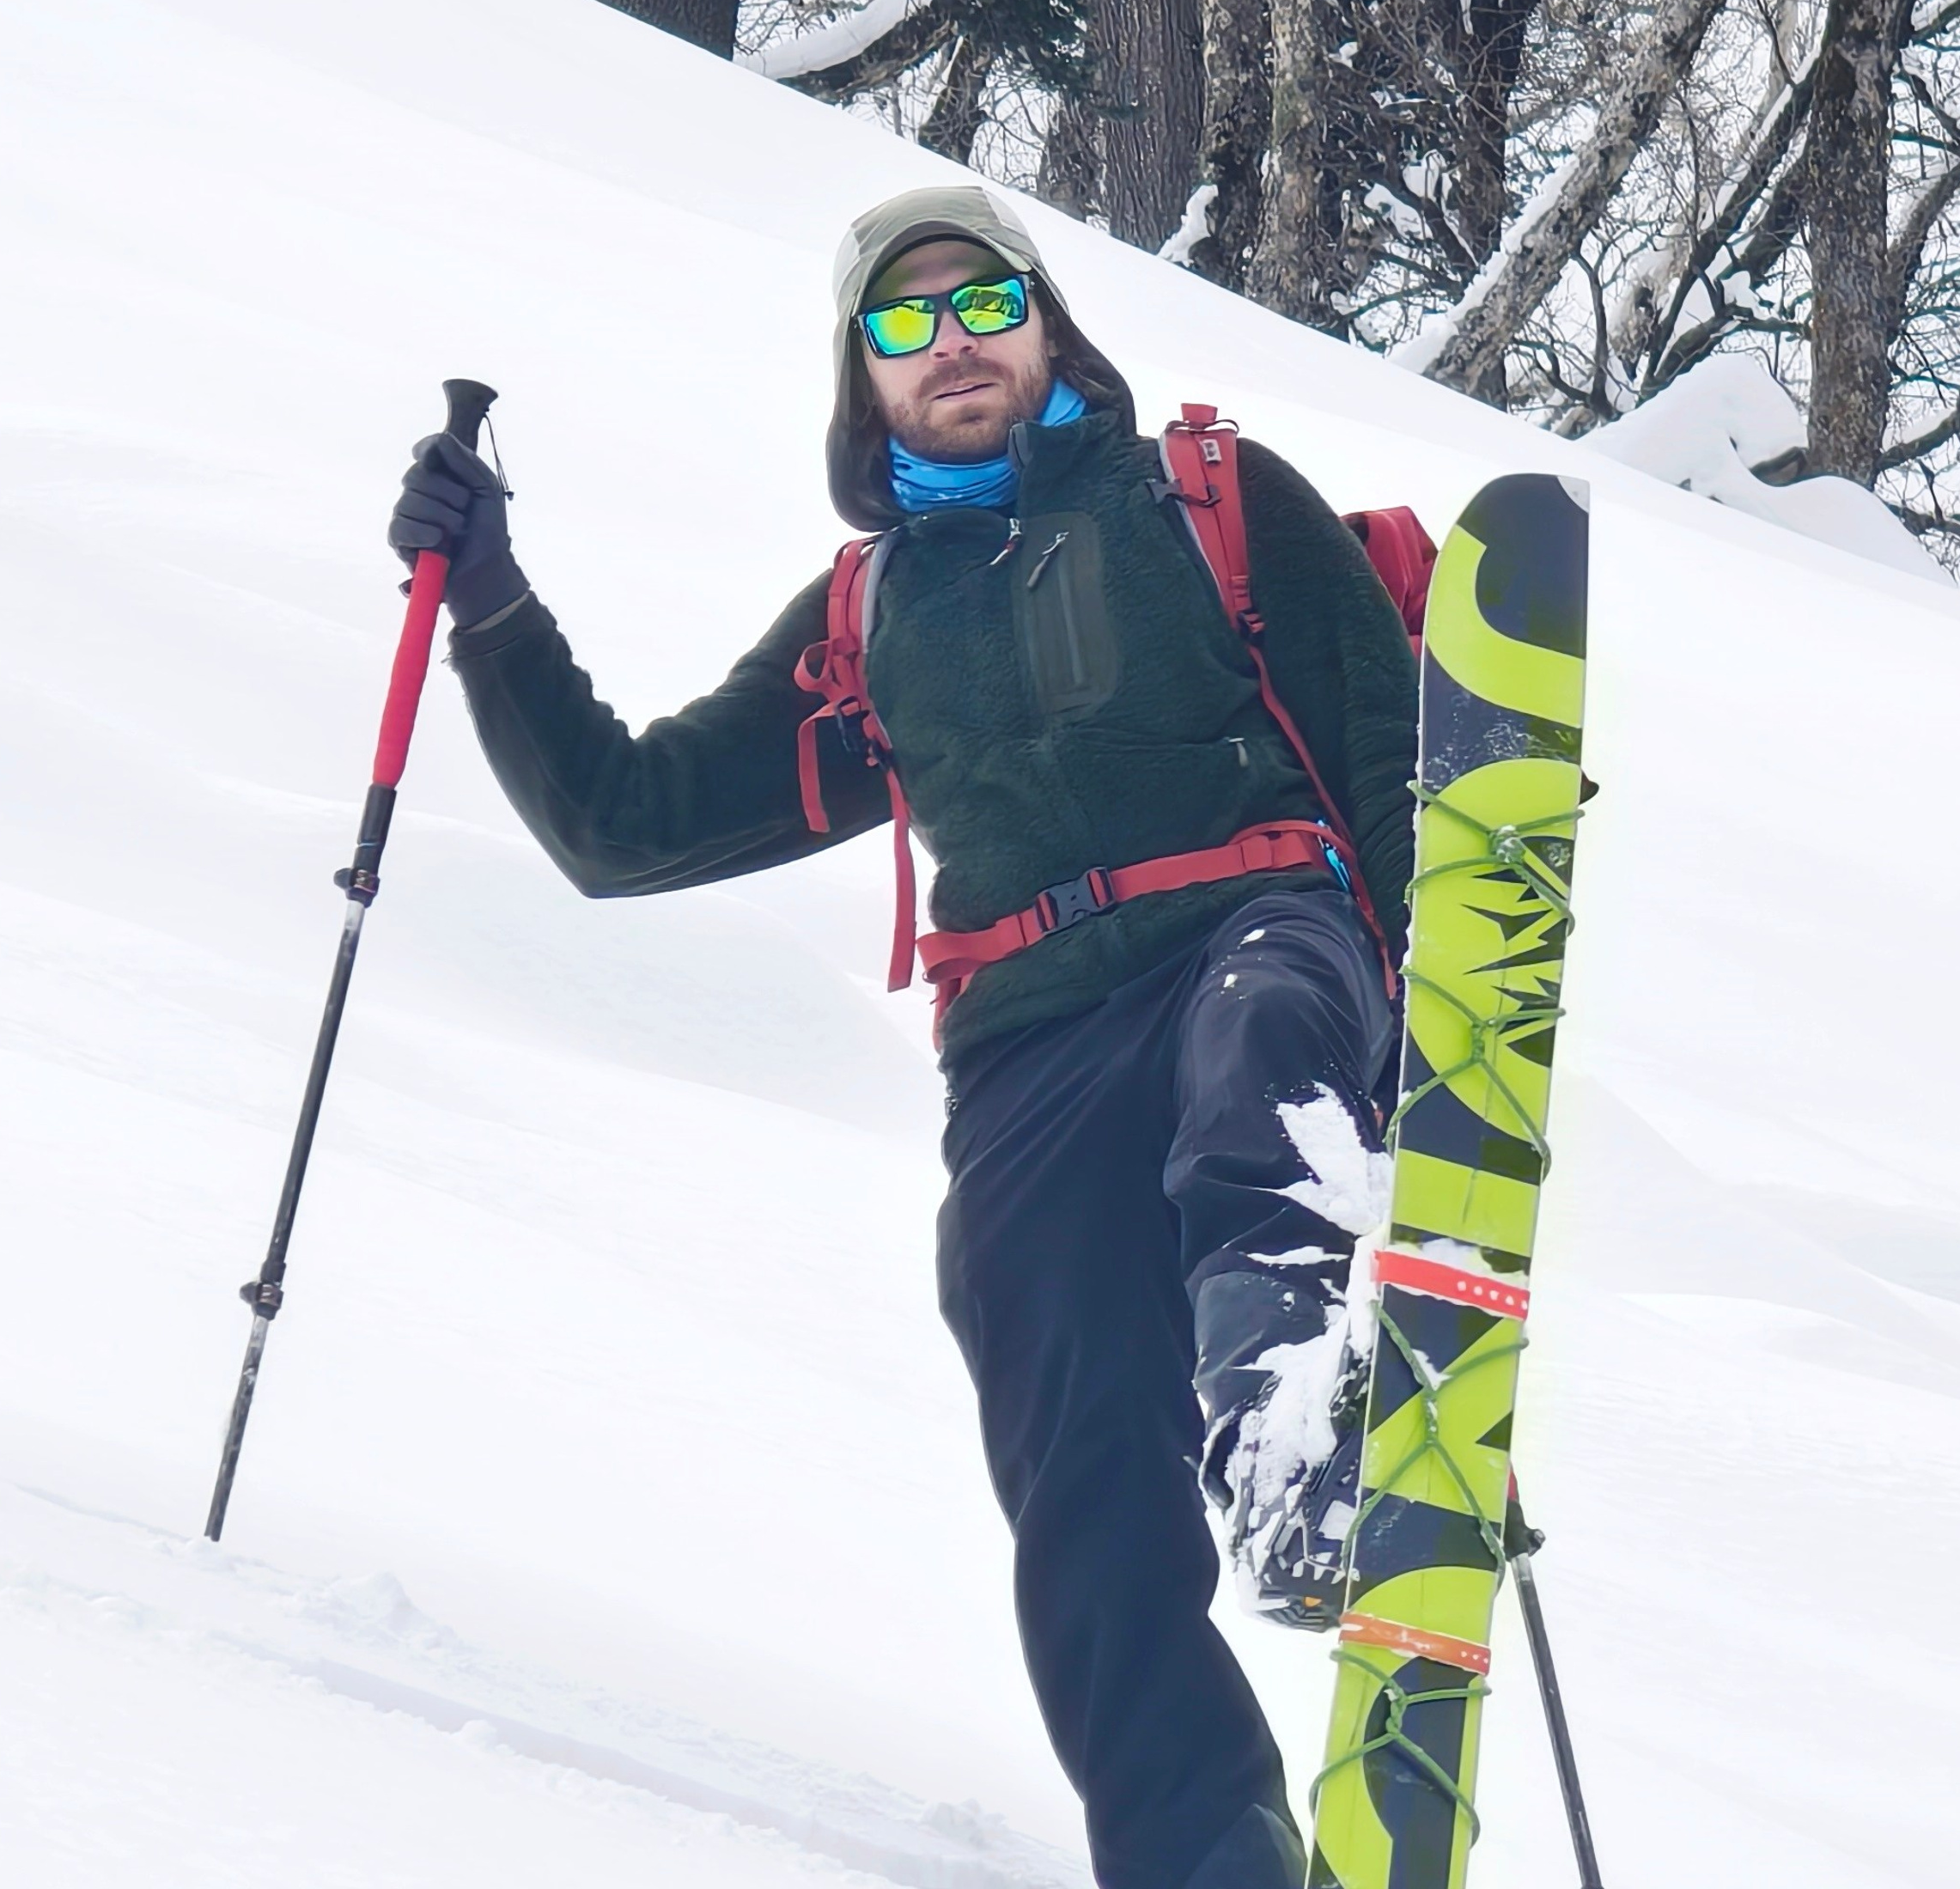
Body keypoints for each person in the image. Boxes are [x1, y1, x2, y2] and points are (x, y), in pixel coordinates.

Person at [389, 186, 1418, 1889]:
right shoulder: (867, 620)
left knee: (1253, 1054)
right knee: (1069, 1443)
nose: (946, 341)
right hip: (1029, 1036)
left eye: (980, 303)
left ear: (1044, 322)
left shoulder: (1210, 498)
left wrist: (1447, 1018)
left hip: (1258, 924)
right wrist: (489, 599)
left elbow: (1383, 764)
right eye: (898, 321)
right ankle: (1205, 1855)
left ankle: (1293, 1411)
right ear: (859, 380)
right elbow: (623, 818)